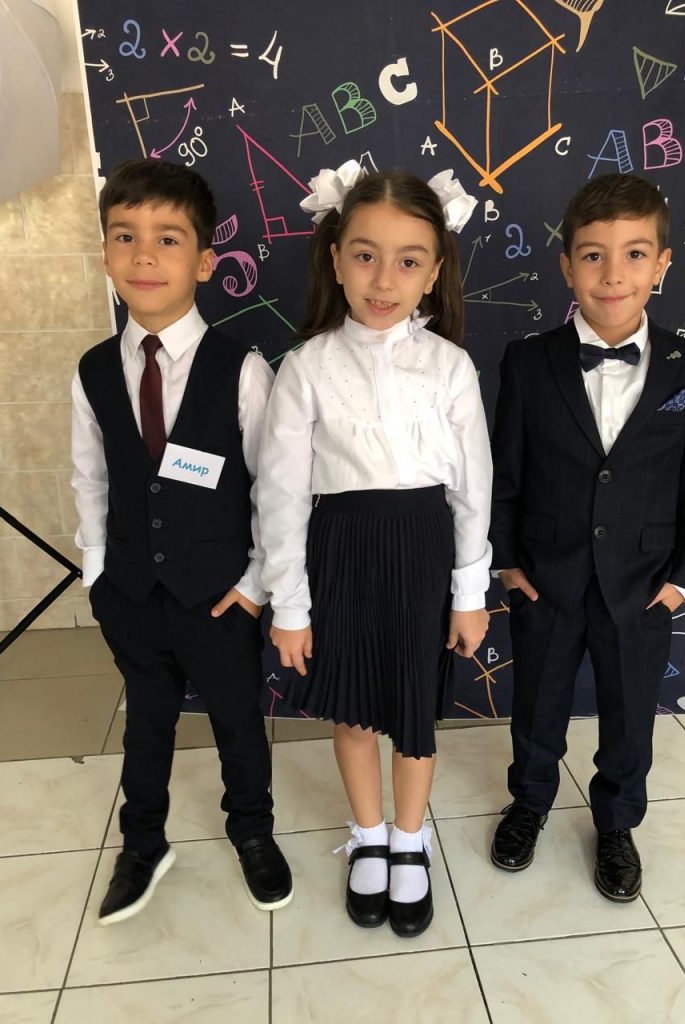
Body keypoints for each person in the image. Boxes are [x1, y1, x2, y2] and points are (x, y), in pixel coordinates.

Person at [254, 163, 492, 937]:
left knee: (415, 706)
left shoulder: (450, 368)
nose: (384, 280)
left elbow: (473, 490)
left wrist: (468, 594)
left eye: (408, 260)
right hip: (342, 555)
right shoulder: (307, 367)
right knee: (355, 708)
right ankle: (368, 835)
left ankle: (410, 840)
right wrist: (290, 605)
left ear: (435, 270)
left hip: (424, 554)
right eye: (365, 255)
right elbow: (282, 494)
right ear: (335, 258)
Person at [489, 173, 685, 902]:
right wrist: (508, 565)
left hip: (642, 584)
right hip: (547, 578)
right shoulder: (528, 362)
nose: (612, 274)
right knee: (537, 705)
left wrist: (683, 583)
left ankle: (617, 822)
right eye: (593, 255)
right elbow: (506, 473)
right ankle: (529, 801)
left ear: (662, 264)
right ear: (568, 266)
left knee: (629, 717)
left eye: (634, 254)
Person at [71, 158, 292, 925]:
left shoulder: (243, 371)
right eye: (124, 236)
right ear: (106, 254)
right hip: (131, 592)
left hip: (218, 594)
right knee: (147, 721)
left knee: (237, 721)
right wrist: (98, 575)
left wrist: (256, 584)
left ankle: (252, 831)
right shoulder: (93, 372)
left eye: (167, 239)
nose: (144, 255)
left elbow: (273, 488)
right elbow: (90, 477)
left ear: (202, 261)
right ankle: (143, 842)